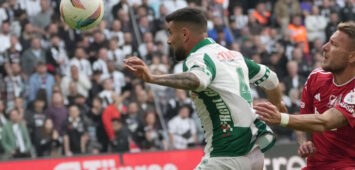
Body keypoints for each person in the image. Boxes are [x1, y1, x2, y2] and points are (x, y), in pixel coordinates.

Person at [125, 7, 286, 170]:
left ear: (185, 34)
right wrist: (277, 107)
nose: (169, 40)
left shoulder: (199, 57)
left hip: (224, 156)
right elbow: (271, 79)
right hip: (254, 155)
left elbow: (197, 80)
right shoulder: (234, 56)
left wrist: (152, 78)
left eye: (170, 33)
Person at [254, 21, 355, 169]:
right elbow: (303, 122)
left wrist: (280, 118)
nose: (324, 47)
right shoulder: (316, 77)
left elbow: (324, 122)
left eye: (334, 45)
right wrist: (304, 142)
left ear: (352, 57)